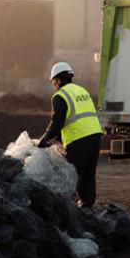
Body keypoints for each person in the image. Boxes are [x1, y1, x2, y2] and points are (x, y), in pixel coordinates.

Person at [37, 61, 105, 209]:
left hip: (79, 139)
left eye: (53, 81)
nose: (53, 85)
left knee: (71, 175)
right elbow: (75, 117)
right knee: (88, 173)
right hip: (95, 135)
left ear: (57, 79)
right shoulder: (81, 90)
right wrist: (59, 140)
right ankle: (88, 206)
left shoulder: (60, 95)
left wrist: (42, 144)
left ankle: (68, 208)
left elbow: (57, 123)